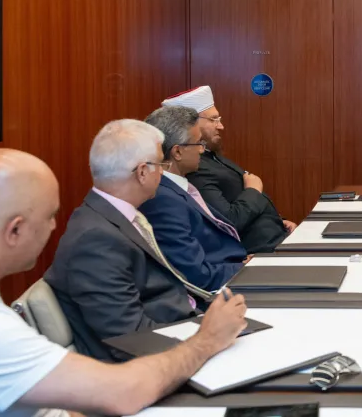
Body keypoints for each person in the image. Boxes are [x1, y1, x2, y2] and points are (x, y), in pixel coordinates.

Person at [0, 149, 248, 417]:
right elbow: (123, 393)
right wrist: (207, 340)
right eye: (50, 216)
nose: (54, 226)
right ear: (15, 230)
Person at [46, 120, 212, 361]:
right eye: (160, 164)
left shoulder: (114, 217)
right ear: (143, 172)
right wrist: (208, 340)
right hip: (158, 362)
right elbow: (131, 339)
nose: (163, 172)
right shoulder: (95, 240)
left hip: (185, 327)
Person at [163, 86, 296, 253]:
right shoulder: (194, 167)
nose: (221, 126)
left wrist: (277, 221)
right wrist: (253, 190)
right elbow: (229, 221)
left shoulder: (212, 156)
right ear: (193, 124)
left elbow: (233, 196)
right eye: (213, 119)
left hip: (277, 238)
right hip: (258, 254)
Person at [140, 106, 247, 291]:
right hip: (218, 291)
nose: (202, 150)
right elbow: (197, 275)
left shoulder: (178, 187)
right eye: (198, 143)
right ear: (177, 152)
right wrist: (246, 268)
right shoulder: (162, 200)